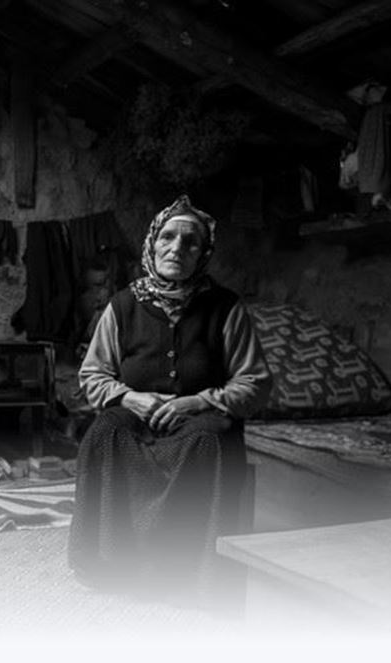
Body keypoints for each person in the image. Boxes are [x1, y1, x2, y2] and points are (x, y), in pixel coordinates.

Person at [68, 194, 272, 608]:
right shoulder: (123, 305)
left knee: (207, 441)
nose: (176, 248)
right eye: (168, 237)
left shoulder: (226, 308)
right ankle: (110, 561)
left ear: (204, 253)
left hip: (199, 420)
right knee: (106, 431)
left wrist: (198, 402)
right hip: (135, 413)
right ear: (152, 243)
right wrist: (130, 397)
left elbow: (254, 382)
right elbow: (92, 375)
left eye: (190, 242)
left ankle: (185, 569)